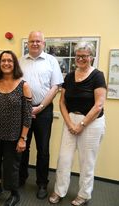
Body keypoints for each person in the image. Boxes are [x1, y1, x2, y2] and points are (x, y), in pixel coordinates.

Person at [48, 42, 106, 206]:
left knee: (87, 161)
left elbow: (99, 105)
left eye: (84, 56)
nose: (80, 58)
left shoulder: (97, 75)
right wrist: (70, 123)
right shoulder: (69, 76)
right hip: (70, 120)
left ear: (91, 57)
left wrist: (81, 125)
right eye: (78, 55)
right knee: (64, 159)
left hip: (92, 122)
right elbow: (62, 102)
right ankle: (59, 191)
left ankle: (84, 194)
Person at [19, 31, 63, 199]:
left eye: (38, 41)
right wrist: (27, 108)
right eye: (32, 41)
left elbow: (55, 87)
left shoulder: (51, 61)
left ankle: (42, 184)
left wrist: (40, 107)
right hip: (23, 110)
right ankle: (21, 178)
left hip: (44, 111)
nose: (35, 43)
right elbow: (17, 85)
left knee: (43, 149)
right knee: (23, 146)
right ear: (27, 43)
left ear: (43, 43)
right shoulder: (20, 61)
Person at [0, 51, 32, 206]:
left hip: (13, 135)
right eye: (3, 60)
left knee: (11, 166)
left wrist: (23, 138)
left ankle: (14, 194)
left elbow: (27, 115)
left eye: (9, 61)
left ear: (14, 63)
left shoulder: (23, 86)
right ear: (0, 63)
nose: (6, 63)